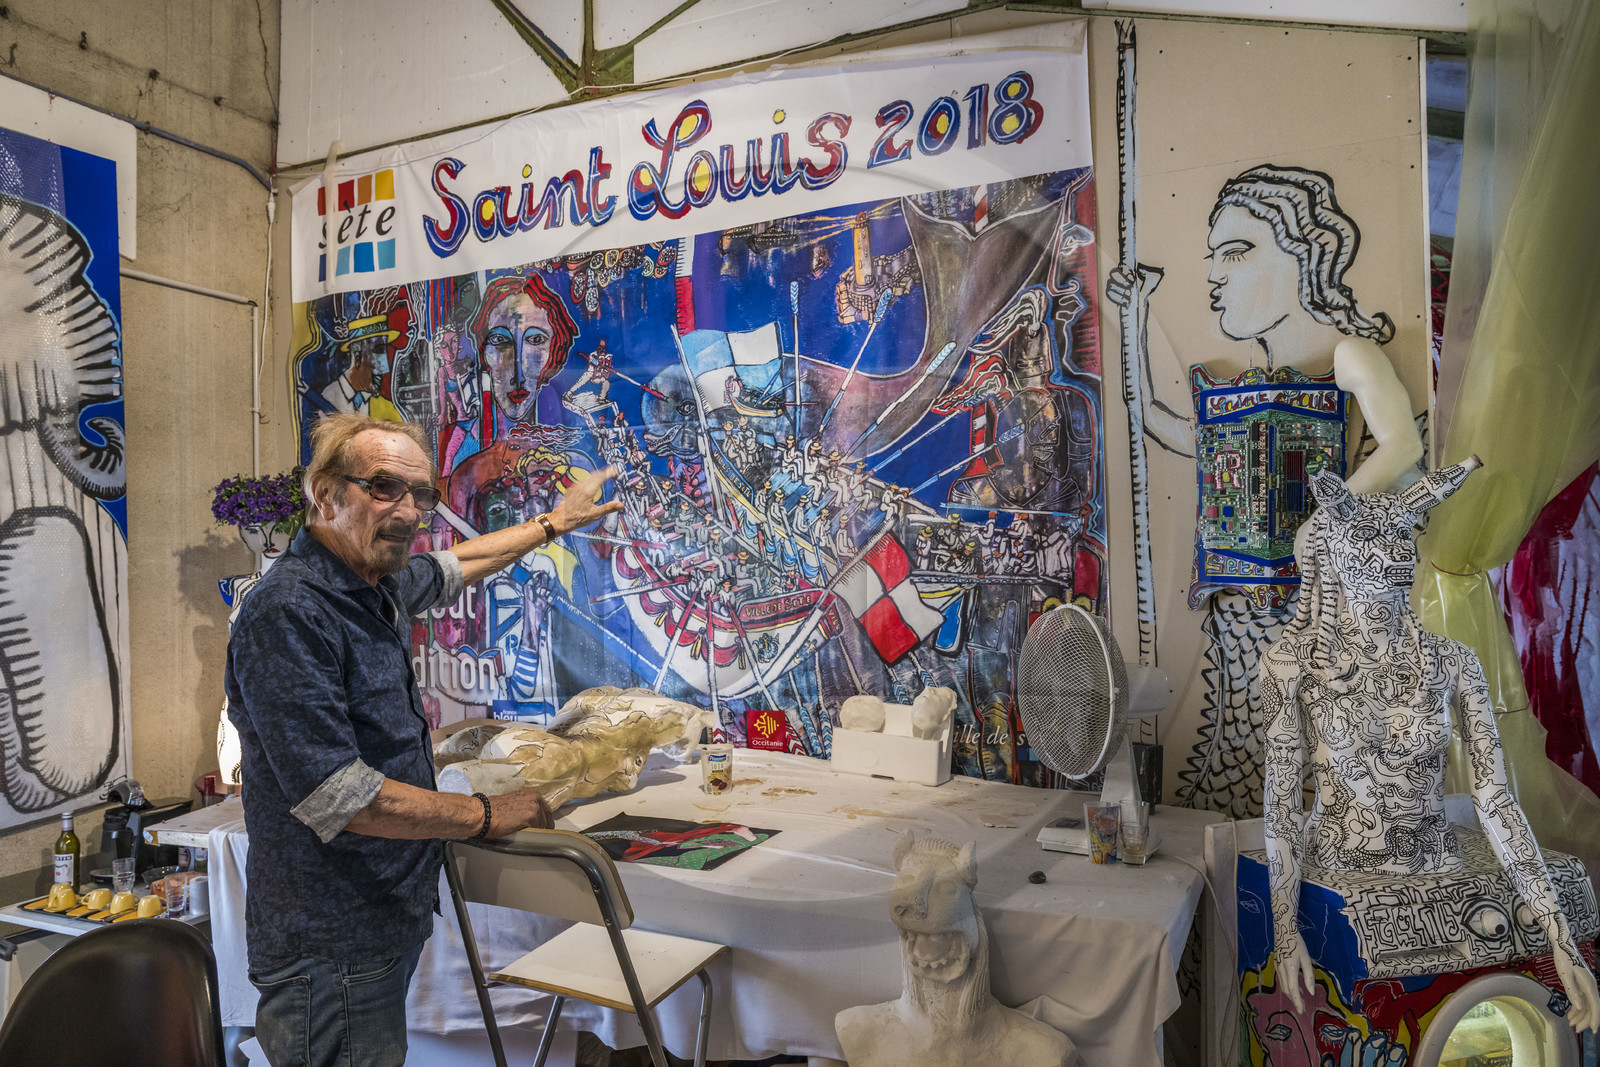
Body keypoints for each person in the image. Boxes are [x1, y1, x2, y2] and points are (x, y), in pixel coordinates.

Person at [224, 412, 621, 1067]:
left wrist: (553, 524)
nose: (409, 512)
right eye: (385, 488)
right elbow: (340, 796)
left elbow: (457, 562)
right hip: (332, 945)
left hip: (378, 925)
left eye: (422, 495)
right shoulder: (291, 610)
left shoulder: (368, 584)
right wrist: (485, 813)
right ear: (325, 494)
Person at [1107, 164, 1424, 817]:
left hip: (1310, 609)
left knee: (1308, 764)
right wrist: (1132, 322)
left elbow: (1405, 445)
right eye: (1213, 255)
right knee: (1237, 758)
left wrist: (1325, 517)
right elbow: (1157, 421)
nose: (1217, 274)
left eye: (1238, 250)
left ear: (1302, 252)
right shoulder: (1233, 397)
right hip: (1235, 611)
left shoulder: (1349, 358)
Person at [1260, 457, 1599, 1035]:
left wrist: (1559, 934)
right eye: (1371, 552)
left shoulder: (1453, 663)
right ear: (1339, 561)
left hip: (1435, 863)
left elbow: (1495, 800)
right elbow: (1282, 800)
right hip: (1341, 869)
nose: (1389, 565)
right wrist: (1284, 927)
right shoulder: (1293, 664)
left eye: (1399, 548)